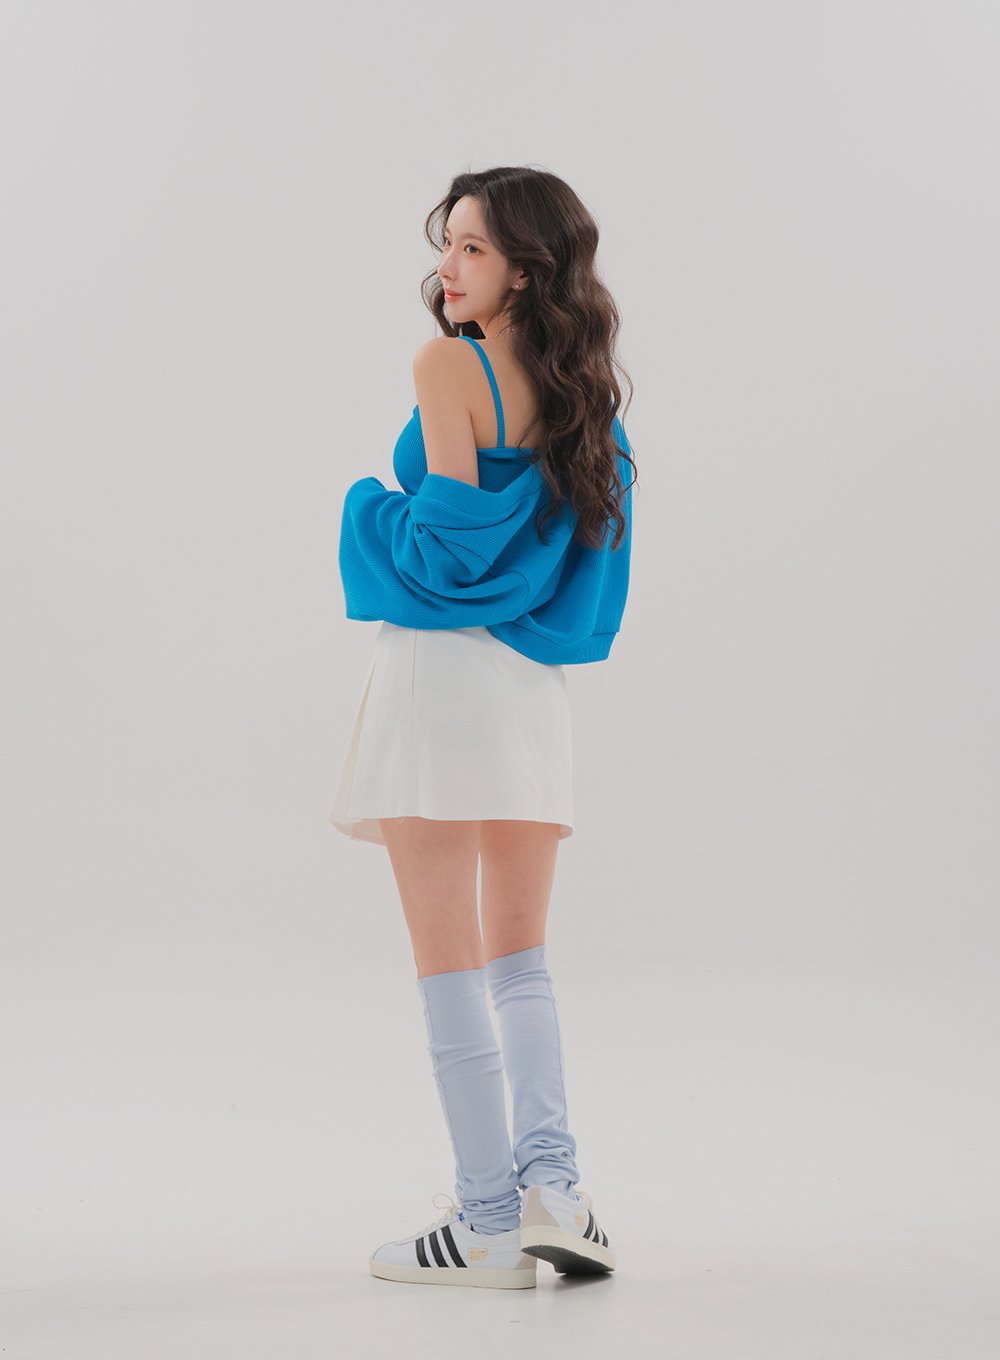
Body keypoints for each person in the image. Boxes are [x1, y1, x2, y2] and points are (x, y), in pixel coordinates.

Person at [329, 166, 636, 1289]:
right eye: (447, 243)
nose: (447, 268)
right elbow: (586, 578)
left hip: (439, 685)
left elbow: (445, 556)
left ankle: (488, 1224)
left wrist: (365, 508)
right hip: (528, 694)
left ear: (527, 272)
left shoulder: (446, 367)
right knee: (521, 961)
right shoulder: (585, 398)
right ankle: (558, 1190)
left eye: (471, 249)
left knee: (448, 965)